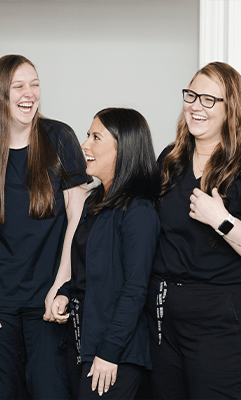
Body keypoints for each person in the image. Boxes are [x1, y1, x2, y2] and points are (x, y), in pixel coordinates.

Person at [146, 62, 241, 400]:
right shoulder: (170, 160)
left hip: (222, 318)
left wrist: (220, 220)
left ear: (231, 109)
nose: (196, 105)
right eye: (191, 95)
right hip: (162, 315)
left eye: (209, 99)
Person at [0, 54, 89, 399]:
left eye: (34, 84)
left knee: (51, 391)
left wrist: (62, 284)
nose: (29, 93)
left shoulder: (60, 137)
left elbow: (77, 216)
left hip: (48, 299)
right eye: (19, 86)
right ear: (0, 93)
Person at [51, 107, 161, 399]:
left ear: (121, 150)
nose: (84, 144)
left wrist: (109, 352)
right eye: (87, 135)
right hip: (82, 343)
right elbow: (88, 271)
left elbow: (135, 289)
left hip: (114, 353)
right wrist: (64, 292)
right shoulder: (95, 202)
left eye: (95, 137)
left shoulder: (138, 211)